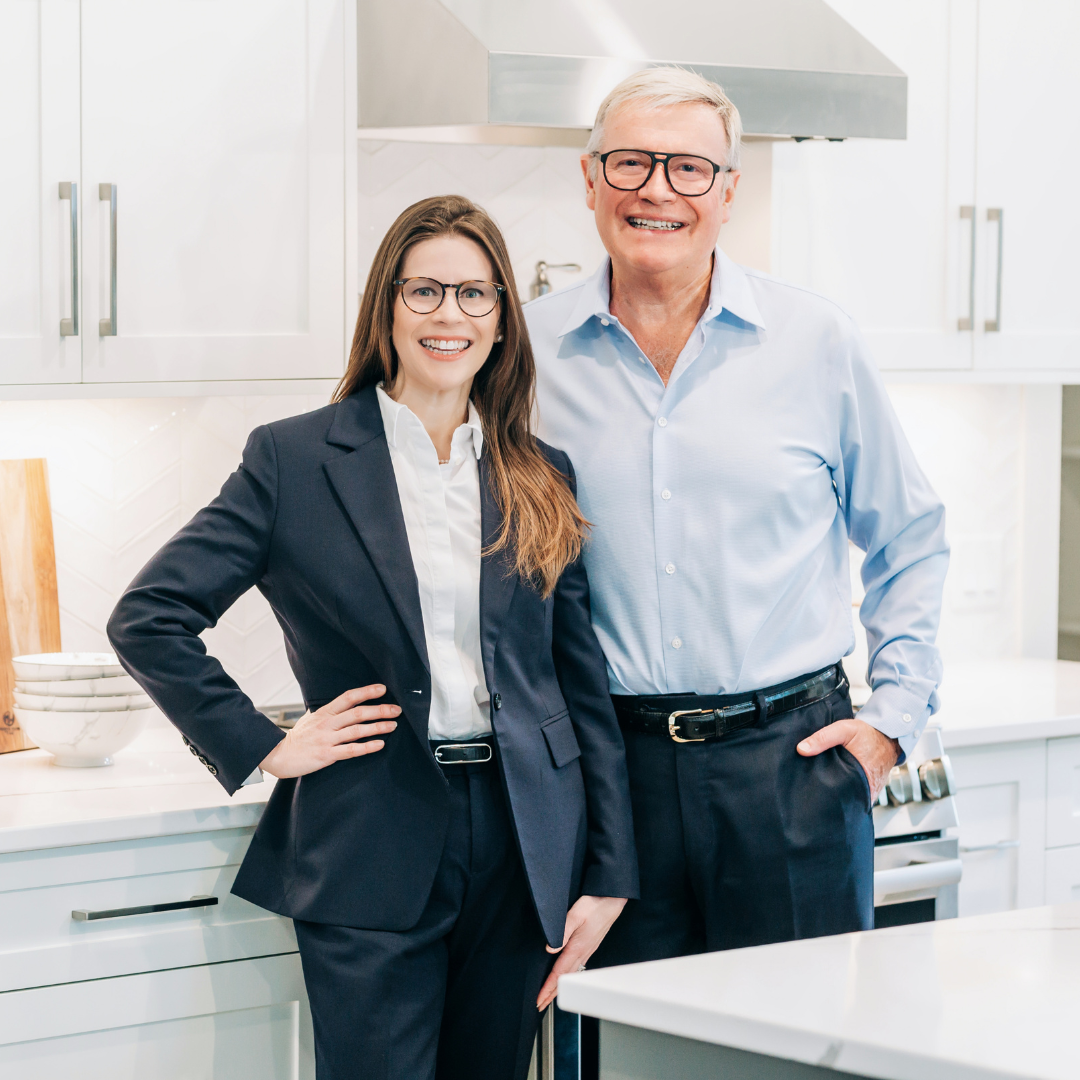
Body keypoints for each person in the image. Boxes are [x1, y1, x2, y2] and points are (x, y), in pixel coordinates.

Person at [107, 194, 638, 1080]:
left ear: (502, 318)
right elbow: (149, 617)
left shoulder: (541, 474)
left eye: (474, 294)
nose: (449, 316)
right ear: (386, 307)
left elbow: (581, 688)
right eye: (423, 291)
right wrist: (263, 744)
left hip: (527, 843)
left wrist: (609, 872)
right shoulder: (294, 460)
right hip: (369, 834)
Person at [524, 66, 949, 1063]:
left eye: (688, 168)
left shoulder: (815, 341)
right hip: (609, 784)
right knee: (627, 1055)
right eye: (630, 162)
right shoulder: (527, 354)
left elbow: (911, 536)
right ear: (588, 179)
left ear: (728, 190)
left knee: (799, 1055)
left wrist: (891, 723)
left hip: (790, 773)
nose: (656, 190)